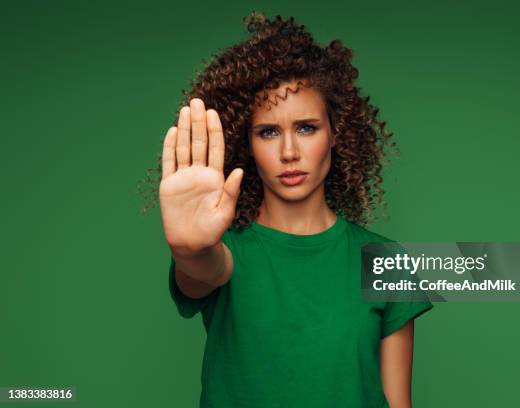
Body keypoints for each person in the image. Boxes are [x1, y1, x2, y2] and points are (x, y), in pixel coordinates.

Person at [152, 12, 433, 408]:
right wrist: (189, 251)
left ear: (336, 133)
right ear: (247, 144)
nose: (288, 152)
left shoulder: (386, 262)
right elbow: (204, 270)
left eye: (306, 128)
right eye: (268, 132)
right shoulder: (227, 250)